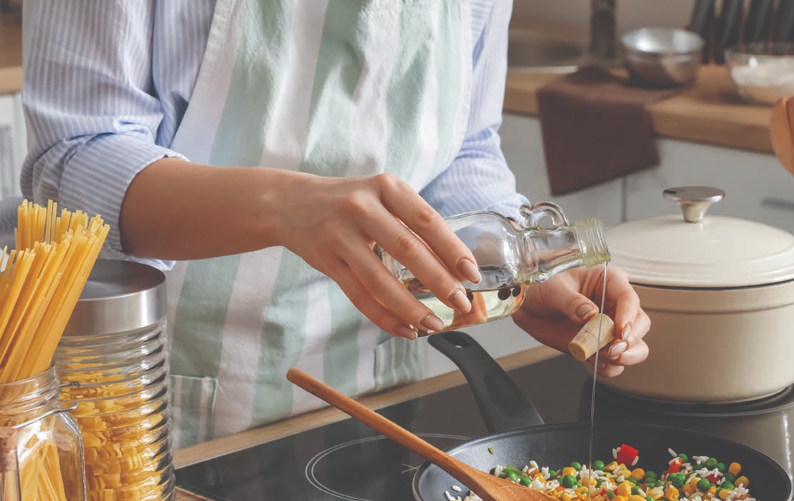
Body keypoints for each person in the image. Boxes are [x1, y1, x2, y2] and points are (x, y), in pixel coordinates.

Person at [19, 0, 650, 448]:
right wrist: (283, 205)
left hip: (377, 399)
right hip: (158, 401)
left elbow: (460, 149)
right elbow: (73, 159)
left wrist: (523, 265)